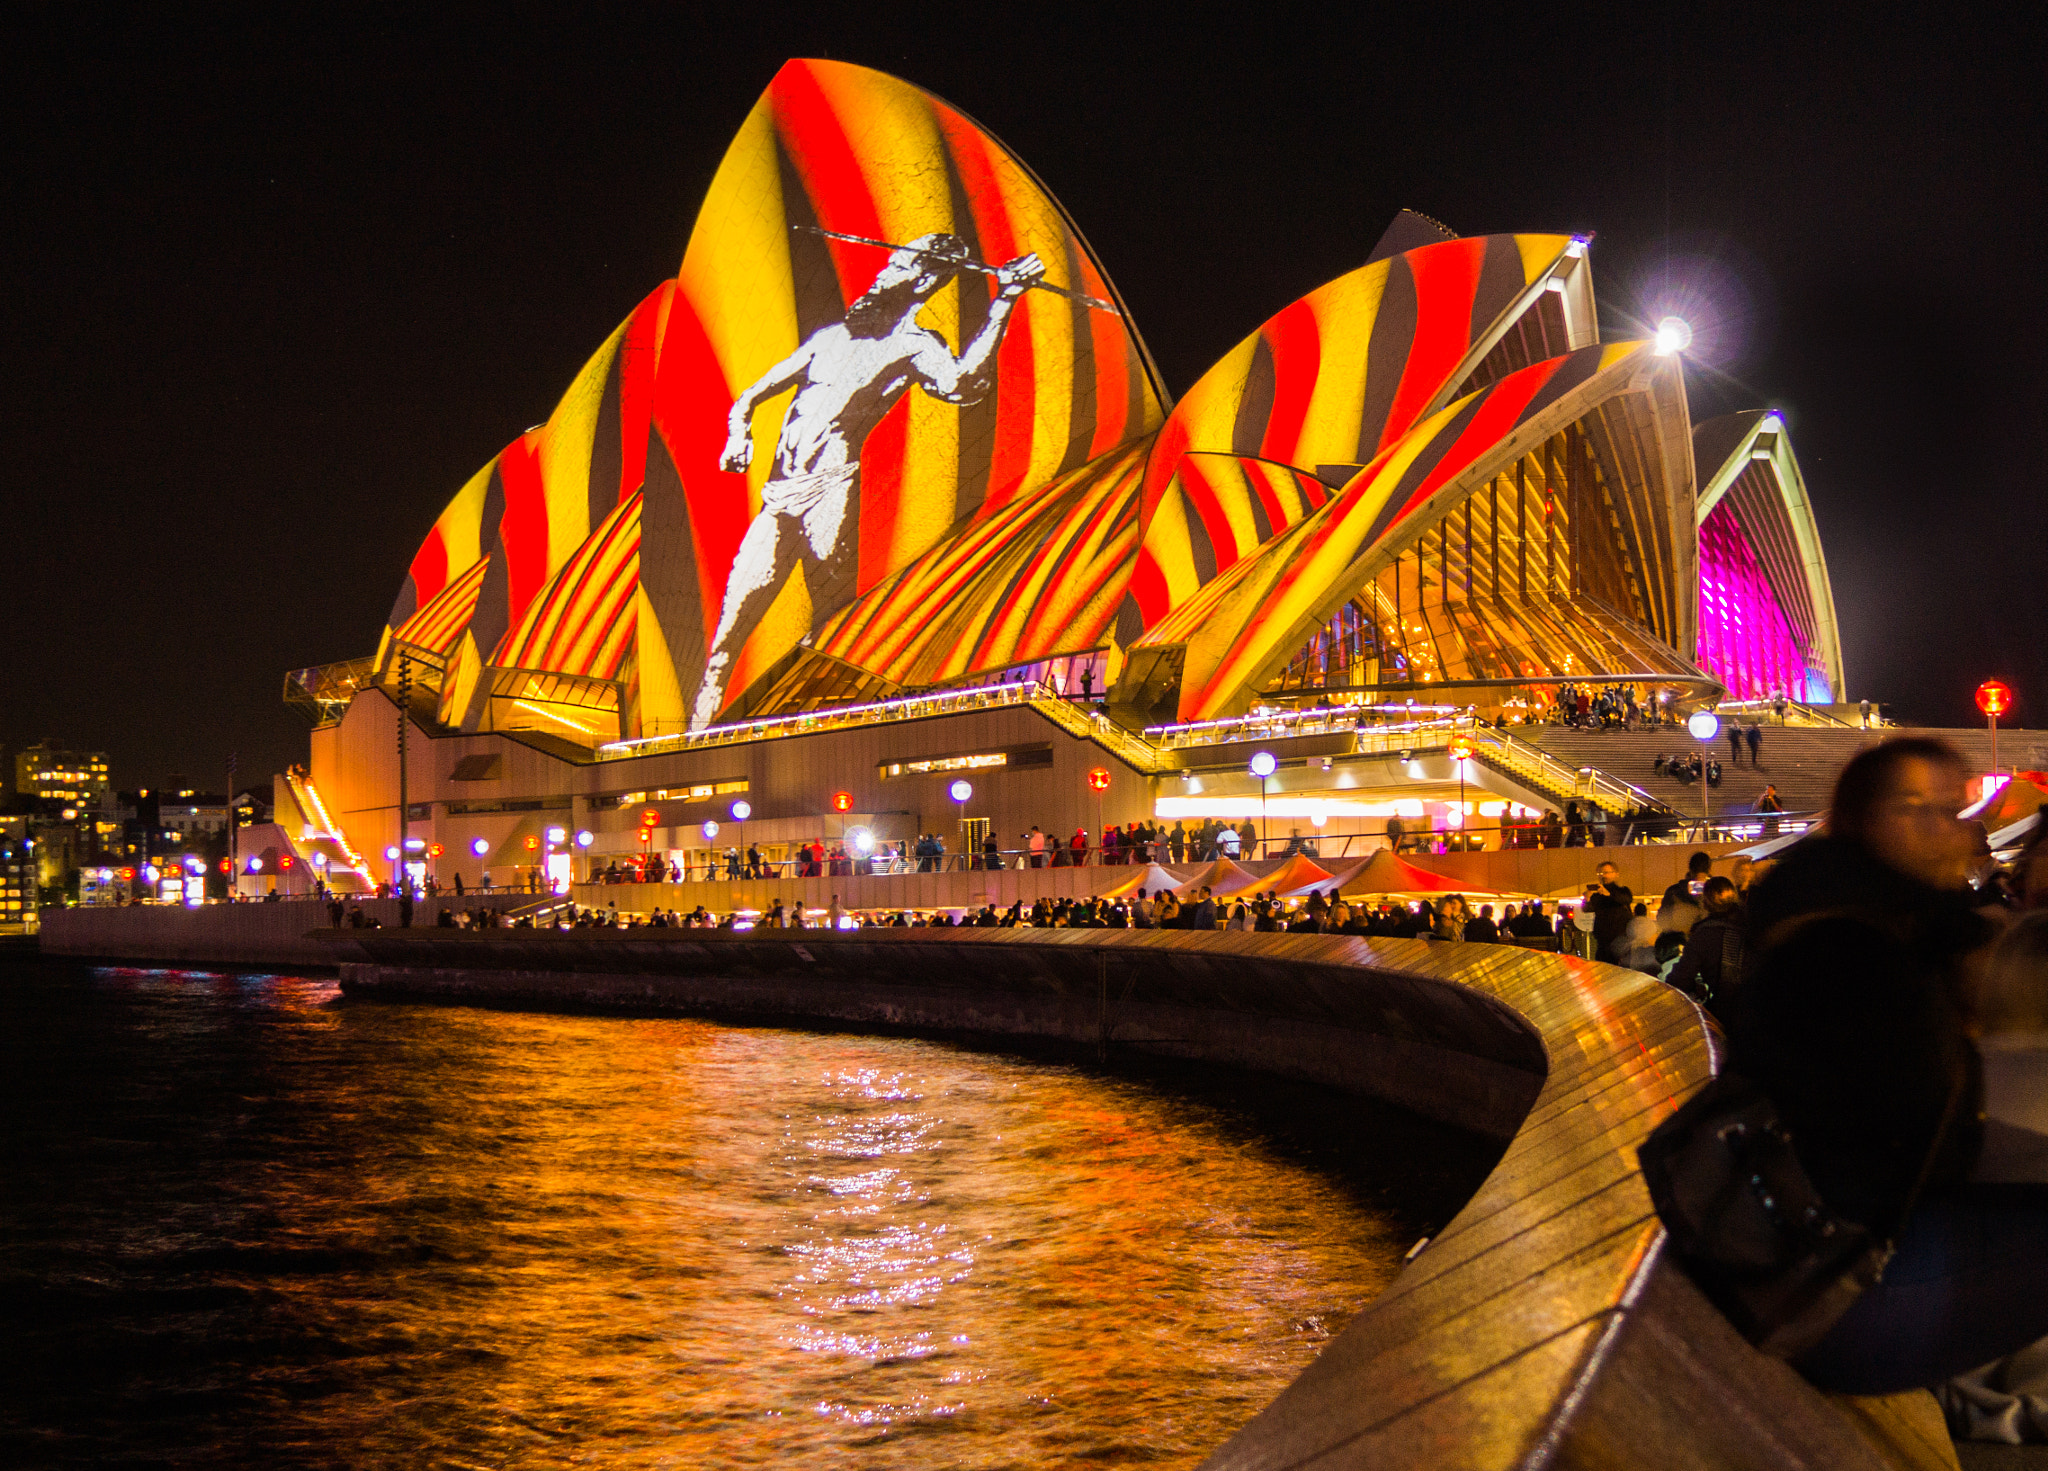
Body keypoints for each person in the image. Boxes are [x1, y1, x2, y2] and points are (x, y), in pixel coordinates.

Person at [1731, 737, 2048, 1393]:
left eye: (1953, 808)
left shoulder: (1836, 919)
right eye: (1915, 809)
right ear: (1862, 820)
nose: (1945, 830)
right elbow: (1928, 1142)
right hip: (1845, 1302)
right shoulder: (1851, 953)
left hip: (1808, 1267)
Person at [692, 234, 1045, 727]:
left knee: (827, 630)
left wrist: (1004, 301)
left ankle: (823, 728)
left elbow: (964, 385)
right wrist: (738, 434)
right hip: (778, 498)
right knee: (725, 640)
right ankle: (694, 736)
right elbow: (750, 395)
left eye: (898, 265)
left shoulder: (914, 345)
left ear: (923, 280)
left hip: (830, 493)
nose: (883, 272)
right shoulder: (831, 338)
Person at [1666, 876, 1745, 1015]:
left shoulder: (1704, 935)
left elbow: (1680, 978)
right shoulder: (1750, 925)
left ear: (1706, 903)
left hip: (1726, 1010)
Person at [1582, 861, 1634, 962]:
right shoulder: (1597, 895)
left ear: (1616, 874)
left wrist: (1608, 894)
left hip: (1621, 938)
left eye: (1606, 872)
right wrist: (1587, 900)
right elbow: (1588, 909)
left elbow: (1626, 899)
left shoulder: (1622, 890)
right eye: (1600, 873)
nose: (1603, 876)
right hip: (1602, 940)